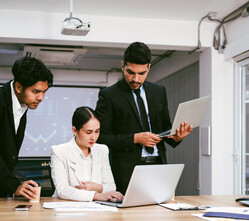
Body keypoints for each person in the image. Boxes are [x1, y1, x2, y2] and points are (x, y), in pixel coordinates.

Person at [95, 41, 192, 194]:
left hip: (158, 167)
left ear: (149, 68)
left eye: (142, 74)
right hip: (126, 172)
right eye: (130, 72)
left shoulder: (158, 91)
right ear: (122, 66)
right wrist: (135, 138)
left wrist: (177, 137)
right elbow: (100, 138)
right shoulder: (109, 95)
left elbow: (165, 130)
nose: (136, 79)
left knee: (159, 215)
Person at [0, 57, 53, 199]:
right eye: (36, 91)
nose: (41, 97)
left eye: (44, 91)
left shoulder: (23, 104)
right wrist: (14, 185)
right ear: (19, 87)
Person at [50, 107, 124, 202]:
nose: (93, 137)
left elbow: (111, 187)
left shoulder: (102, 150)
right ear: (75, 131)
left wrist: (97, 187)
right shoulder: (59, 151)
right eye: (88, 132)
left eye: (97, 131)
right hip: (68, 207)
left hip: (98, 209)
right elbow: (62, 190)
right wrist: (95, 195)